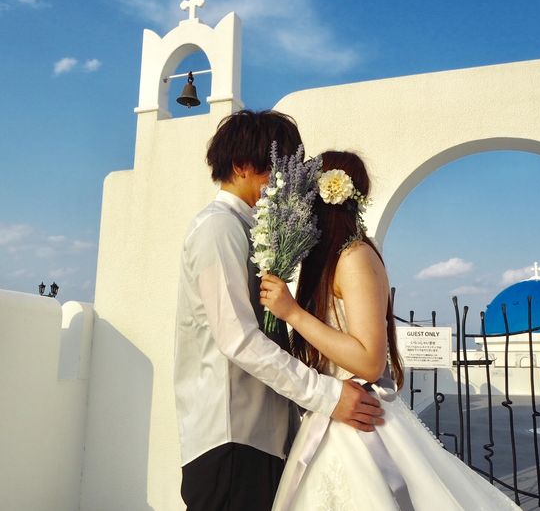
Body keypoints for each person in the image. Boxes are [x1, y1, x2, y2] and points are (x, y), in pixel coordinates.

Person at [260, 150, 521, 510]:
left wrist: (292, 313)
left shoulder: (355, 258)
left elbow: (370, 361)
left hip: (359, 421)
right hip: (336, 413)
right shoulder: (329, 263)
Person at [174, 113, 384, 511]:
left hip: (263, 437)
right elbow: (238, 339)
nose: (283, 181)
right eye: (275, 168)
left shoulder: (251, 230)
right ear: (241, 166)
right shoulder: (218, 229)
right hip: (233, 436)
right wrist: (326, 395)